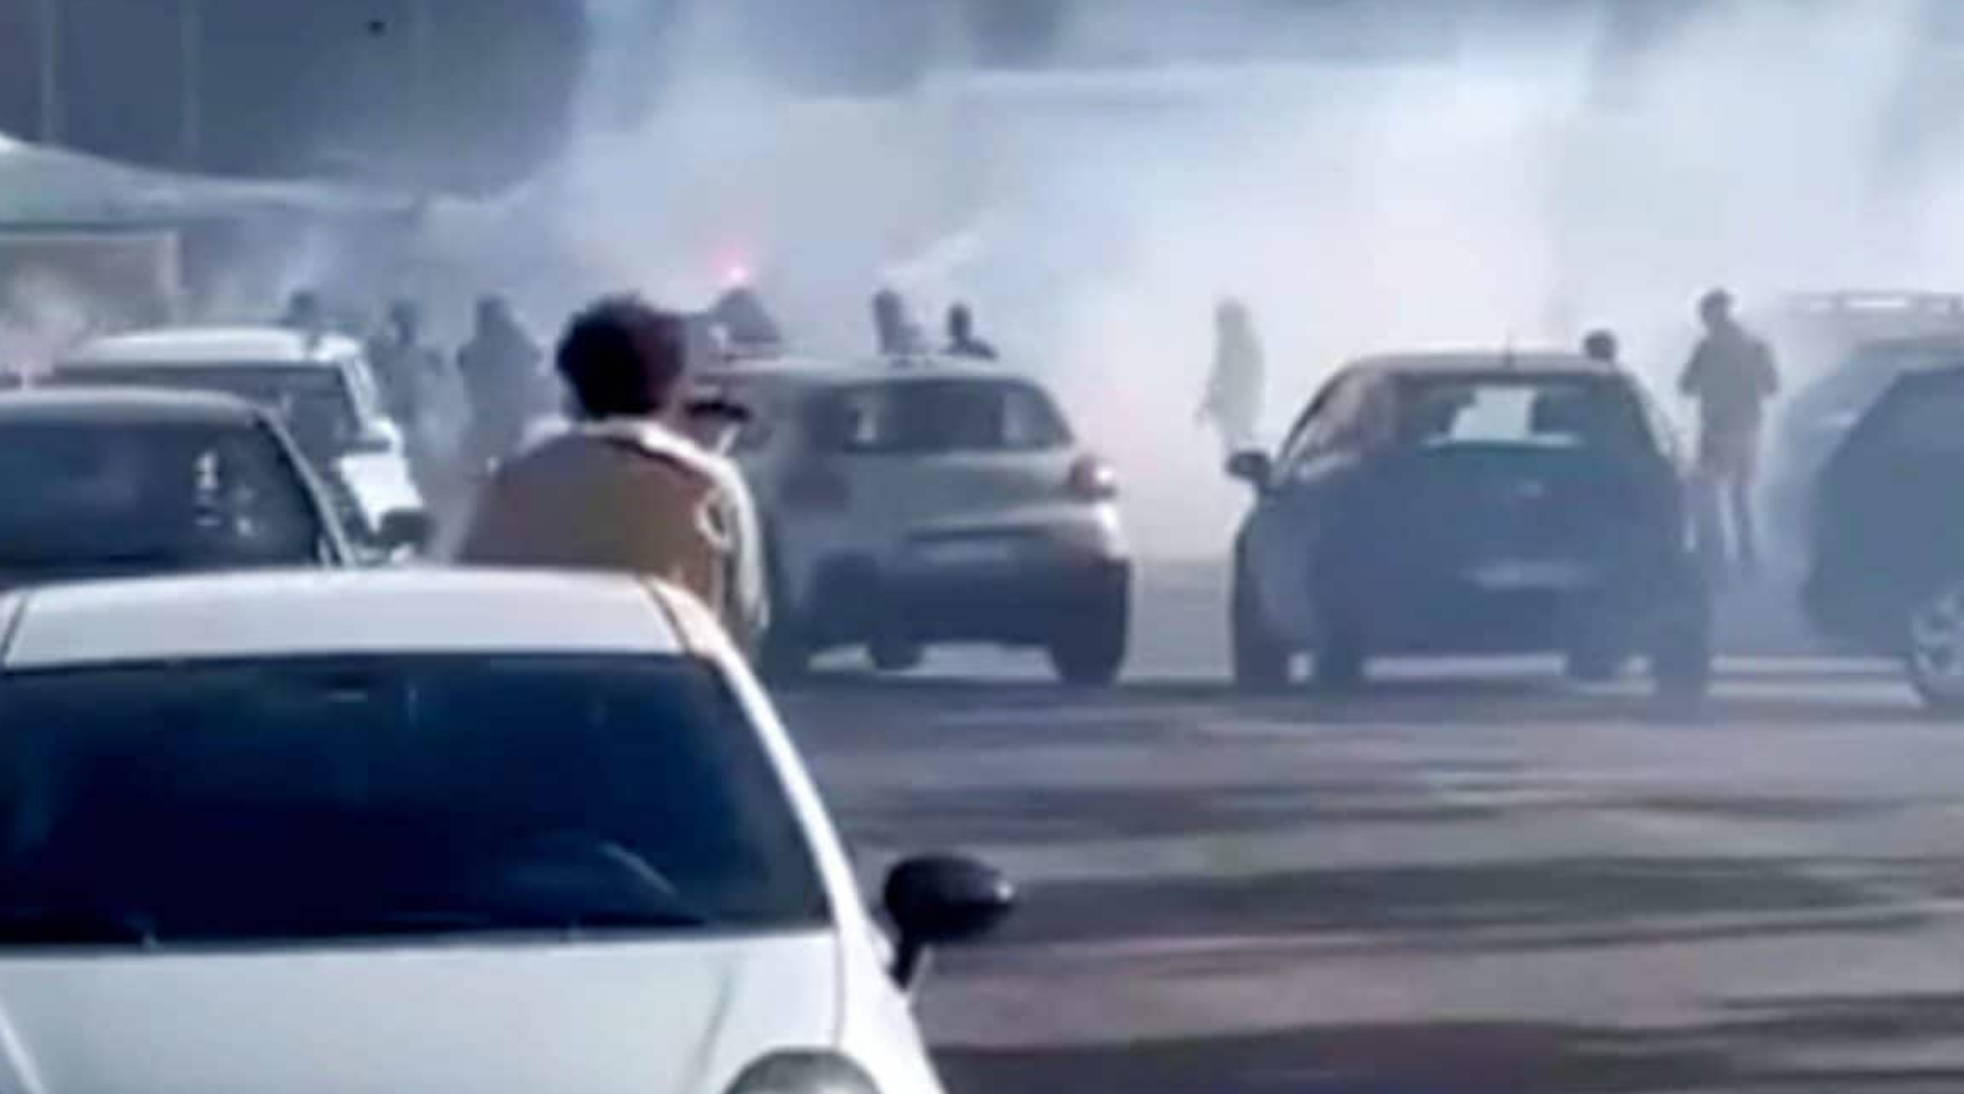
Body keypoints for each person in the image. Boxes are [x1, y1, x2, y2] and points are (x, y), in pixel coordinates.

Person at [454, 296, 744, 634]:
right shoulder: (708, 486)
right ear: (672, 385)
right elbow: (743, 619)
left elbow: (473, 597)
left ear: (571, 388)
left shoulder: (518, 480)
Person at [1679, 288, 1779, 577]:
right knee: (1740, 496)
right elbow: (1772, 386)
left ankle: (1717, 557)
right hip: (1747, 428)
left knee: (1707, 492)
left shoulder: (1707, 349)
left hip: (1718, 428)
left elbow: (1685, 386)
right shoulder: (1755, 346)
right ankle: (1747, 557)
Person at [683, 393, 770, 656]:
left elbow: (746, 552)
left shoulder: (728, 475)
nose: (723, 432)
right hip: (697, 613)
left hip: (726, 614)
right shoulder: (691, 472)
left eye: (730, 425)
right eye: (714, 422)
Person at [456, 294, 545, 472]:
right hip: (494, 415)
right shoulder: (488, 345)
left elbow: (536, 357)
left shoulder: (514, 340)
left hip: (508, 415)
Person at [1197, 297, 1266, 453]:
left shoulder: (1241, 343)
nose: (1218, 325)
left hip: (1237, 409)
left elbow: (1229, 377)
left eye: (1222, 320)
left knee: (1233, 444)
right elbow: (1219, 373)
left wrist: (1214, 399)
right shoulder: (1232, 341)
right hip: (1232, 409)